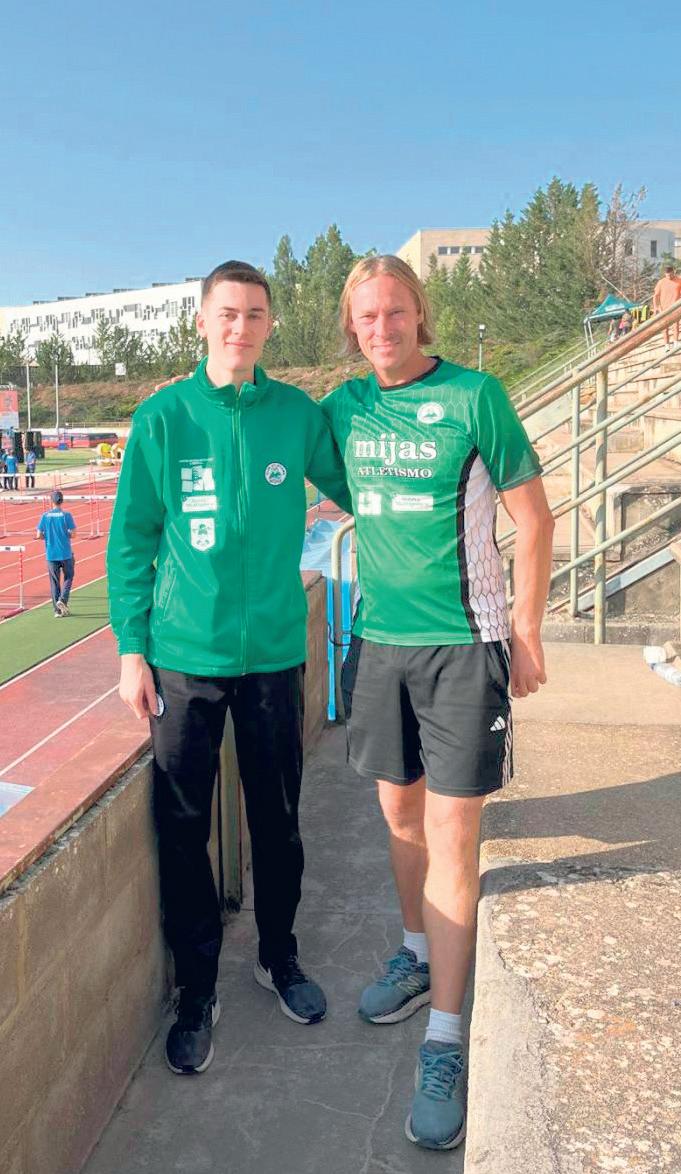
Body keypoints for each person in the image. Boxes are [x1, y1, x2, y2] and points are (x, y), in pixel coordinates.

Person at [322, 255, 554, 1151]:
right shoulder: (343, 408)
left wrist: (525, 632)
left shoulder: (473, 396)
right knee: (399, 816)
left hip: (465, 645)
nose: (381, 329)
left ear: (419, 315)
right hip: (380, 644)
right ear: (351, 327)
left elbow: (532, 517)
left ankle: (445, 1041)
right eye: (366, 317)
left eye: (395, 312)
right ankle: (417, 953)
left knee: (454, 837)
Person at [107, 260, 352, 1077]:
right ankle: (196, 988)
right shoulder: (164, 417)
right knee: (182, 829)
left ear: (269, 325)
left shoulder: (295, 414)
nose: (240, 327)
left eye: (254, 314)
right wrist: (132, 649)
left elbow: (358, 486)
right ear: (202, 322)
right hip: (183, 659)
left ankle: (277, 956)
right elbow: (133, 539)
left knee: (278, 821)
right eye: (227, 313)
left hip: (275, 653)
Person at [36, 489, 77, 617]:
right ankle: (63, 600)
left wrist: (47, 536)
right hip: (65, 553)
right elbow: (74, 534)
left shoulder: (45, 516)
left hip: (51, 554)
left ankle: (57, 611)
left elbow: (39, 535)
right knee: (69, 577)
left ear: (51, 501)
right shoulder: (66, 515)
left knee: (54, 582)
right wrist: (66, 534)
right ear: (62, 501)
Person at [652, 264, 681, 347]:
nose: (669, 277)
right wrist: (656, 307)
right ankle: (666, 344)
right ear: (665, 274)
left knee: (676, 325)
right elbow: (656, 296)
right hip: (663, 308)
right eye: (667, 275)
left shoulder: (679, 280)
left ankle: (676, 341)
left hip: (675, 307)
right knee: (665, 327)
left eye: (671, 275)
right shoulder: (661, 282)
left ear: (673, 272)